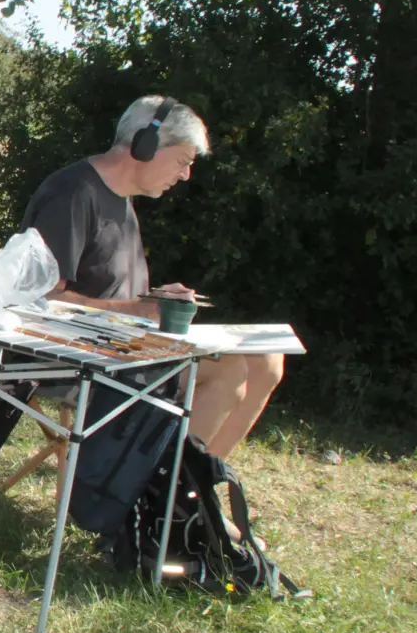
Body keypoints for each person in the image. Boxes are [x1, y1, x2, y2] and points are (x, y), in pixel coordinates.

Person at [22, 95, 284, 460]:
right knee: (231, 371)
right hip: (75, 358)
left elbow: (108, 288)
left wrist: (156, 302)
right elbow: (40, 300)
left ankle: (198, 489)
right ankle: (163, 502)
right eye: (182, 161)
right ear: (145, 146)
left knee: (268, 361)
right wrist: (141, 309)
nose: (185, 174)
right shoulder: (74, 194)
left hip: (125, 346)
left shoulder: (121, 198)